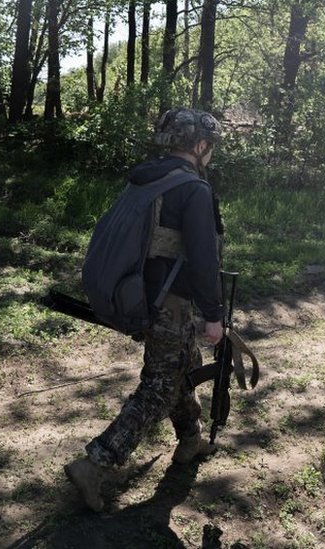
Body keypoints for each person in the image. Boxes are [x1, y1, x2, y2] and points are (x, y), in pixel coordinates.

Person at [65, 107, 226, 511]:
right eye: (210, 148)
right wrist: (214, 315)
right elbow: (205, 259)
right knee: (159, 387)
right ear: (200, 145)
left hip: (141, 297)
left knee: (181, 369)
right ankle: (95, 463)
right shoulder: (193, 189)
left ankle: (190, 438)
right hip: (171, 305)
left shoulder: (146, 180)